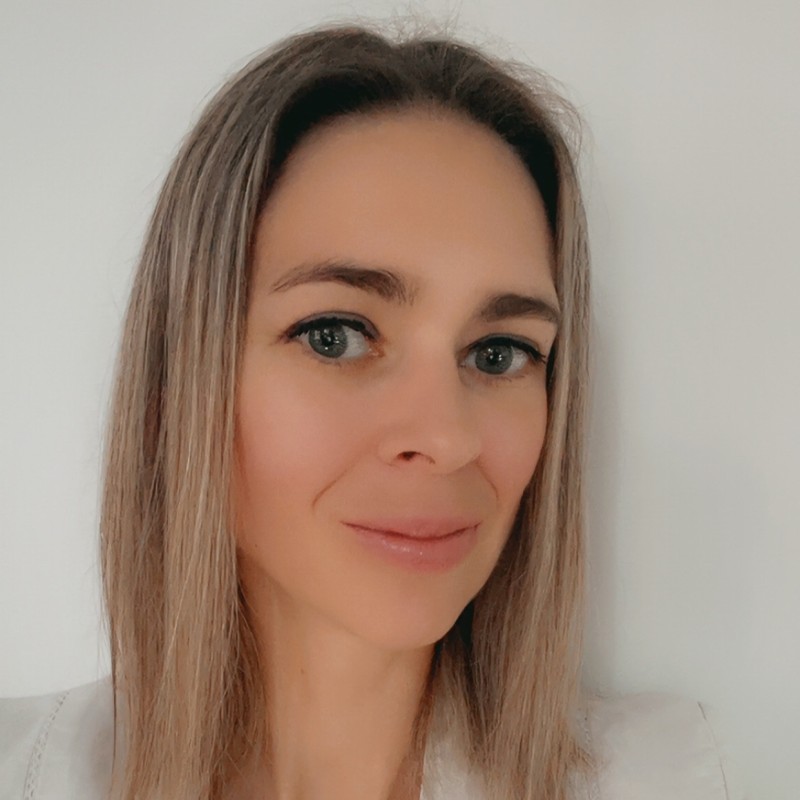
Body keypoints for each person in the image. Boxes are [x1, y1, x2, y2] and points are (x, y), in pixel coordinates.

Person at [0, 20, 741, 800]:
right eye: (336, 336)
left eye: (498, 353)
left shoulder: (665, 778)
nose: (447, 437)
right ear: (178, 387)